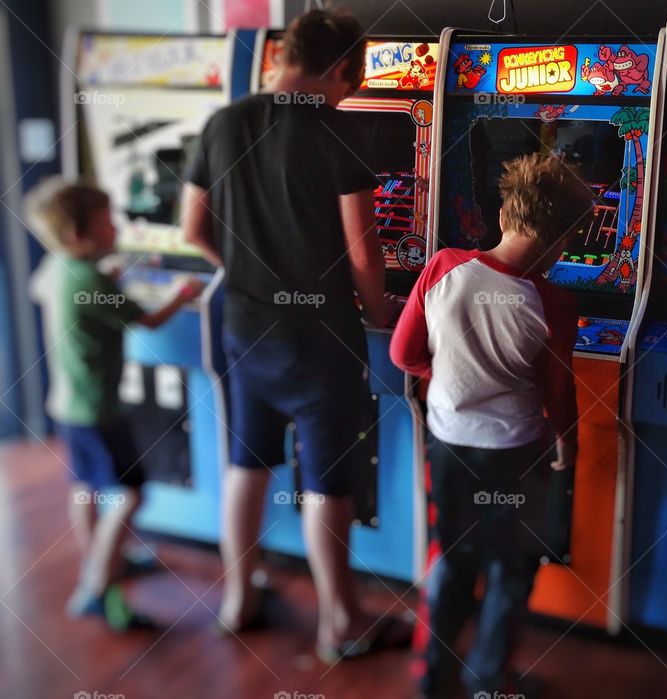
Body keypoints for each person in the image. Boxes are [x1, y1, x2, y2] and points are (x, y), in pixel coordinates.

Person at [180, 9, 404, 659]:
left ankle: (237, 602)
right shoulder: (336, 130)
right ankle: (340, 623)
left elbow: (193, 228)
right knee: (328, 478)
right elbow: (363, 253)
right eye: (351, 82)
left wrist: (247, 269)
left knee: (246, 463)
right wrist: (378, 312)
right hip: (320, 337)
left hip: (245, 325)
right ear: (342, 70)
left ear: (283, 55)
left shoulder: (224, 122)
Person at [389, 153, 593, 698]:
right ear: (564, 241)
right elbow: (558, 392)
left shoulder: (442, 267)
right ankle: (488, 680)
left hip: (448, 446)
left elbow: (403, 353)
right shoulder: (555, 303)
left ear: (503, 214)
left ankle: (434, 677)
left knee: (453, 559)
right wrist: (568, 443)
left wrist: (449, 375)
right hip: (515, 455)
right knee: (511, 567)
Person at [25, 179, 203, 630]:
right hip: (99, 409)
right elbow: (149, 320)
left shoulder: (58, 266)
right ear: (77, 236)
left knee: (85, 485)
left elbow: (42, 290)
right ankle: (97, 587)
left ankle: (102, 559)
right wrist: (183, 293)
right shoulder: (91, 280)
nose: (116, 229)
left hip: (67, 403)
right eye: (106, 223)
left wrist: (106, 275)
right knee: (130, 494)